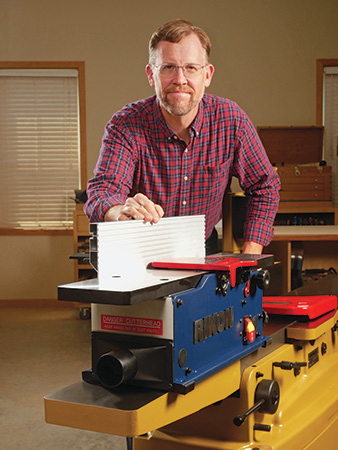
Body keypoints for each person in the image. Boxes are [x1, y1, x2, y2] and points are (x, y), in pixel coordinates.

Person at [84, 18, 280, 255]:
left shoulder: (231, 120)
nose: (180, 79)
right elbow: (103, 191)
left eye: (190, 67)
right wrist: (118, 211)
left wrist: (250, 256)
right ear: (151, 74)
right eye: (168, 67)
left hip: (203, 249)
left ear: (206, 75)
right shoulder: (126, 124)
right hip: (138, 251)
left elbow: (265, 186)